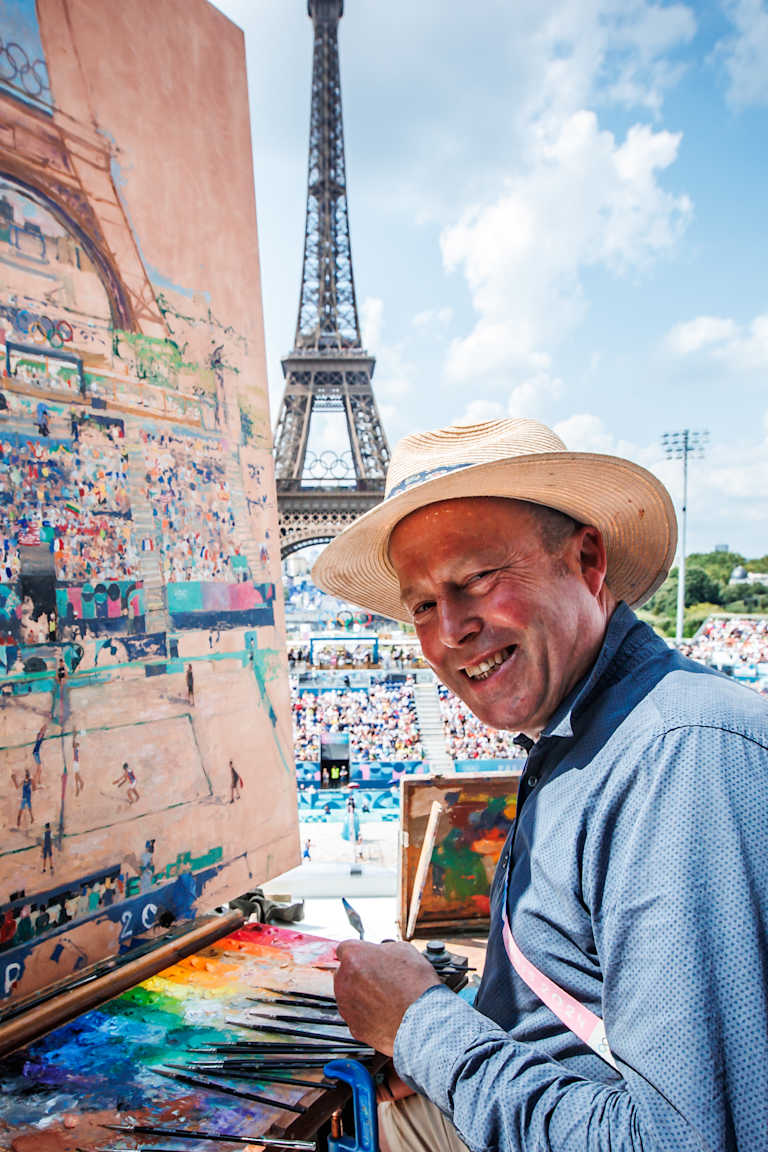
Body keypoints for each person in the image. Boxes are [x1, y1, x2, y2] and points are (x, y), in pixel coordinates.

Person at [312, 417, 768, 1152]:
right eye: (423, 604)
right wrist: (439, 1048)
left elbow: (678, 1142)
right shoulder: (587, 734)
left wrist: (422, 1028)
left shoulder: (680, 764)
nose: (450, 629)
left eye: (477, 580)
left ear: (589, 558)